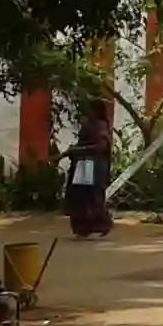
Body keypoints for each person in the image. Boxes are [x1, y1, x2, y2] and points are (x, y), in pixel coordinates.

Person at [60, 100, 114, 237]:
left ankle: (101, 224)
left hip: (93, 166)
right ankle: (83, 227)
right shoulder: (89, 125)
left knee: (92, 197)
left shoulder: (100, 126)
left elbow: (101, 147)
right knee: (80, 197)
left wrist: (79, 150)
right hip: (84, 165)